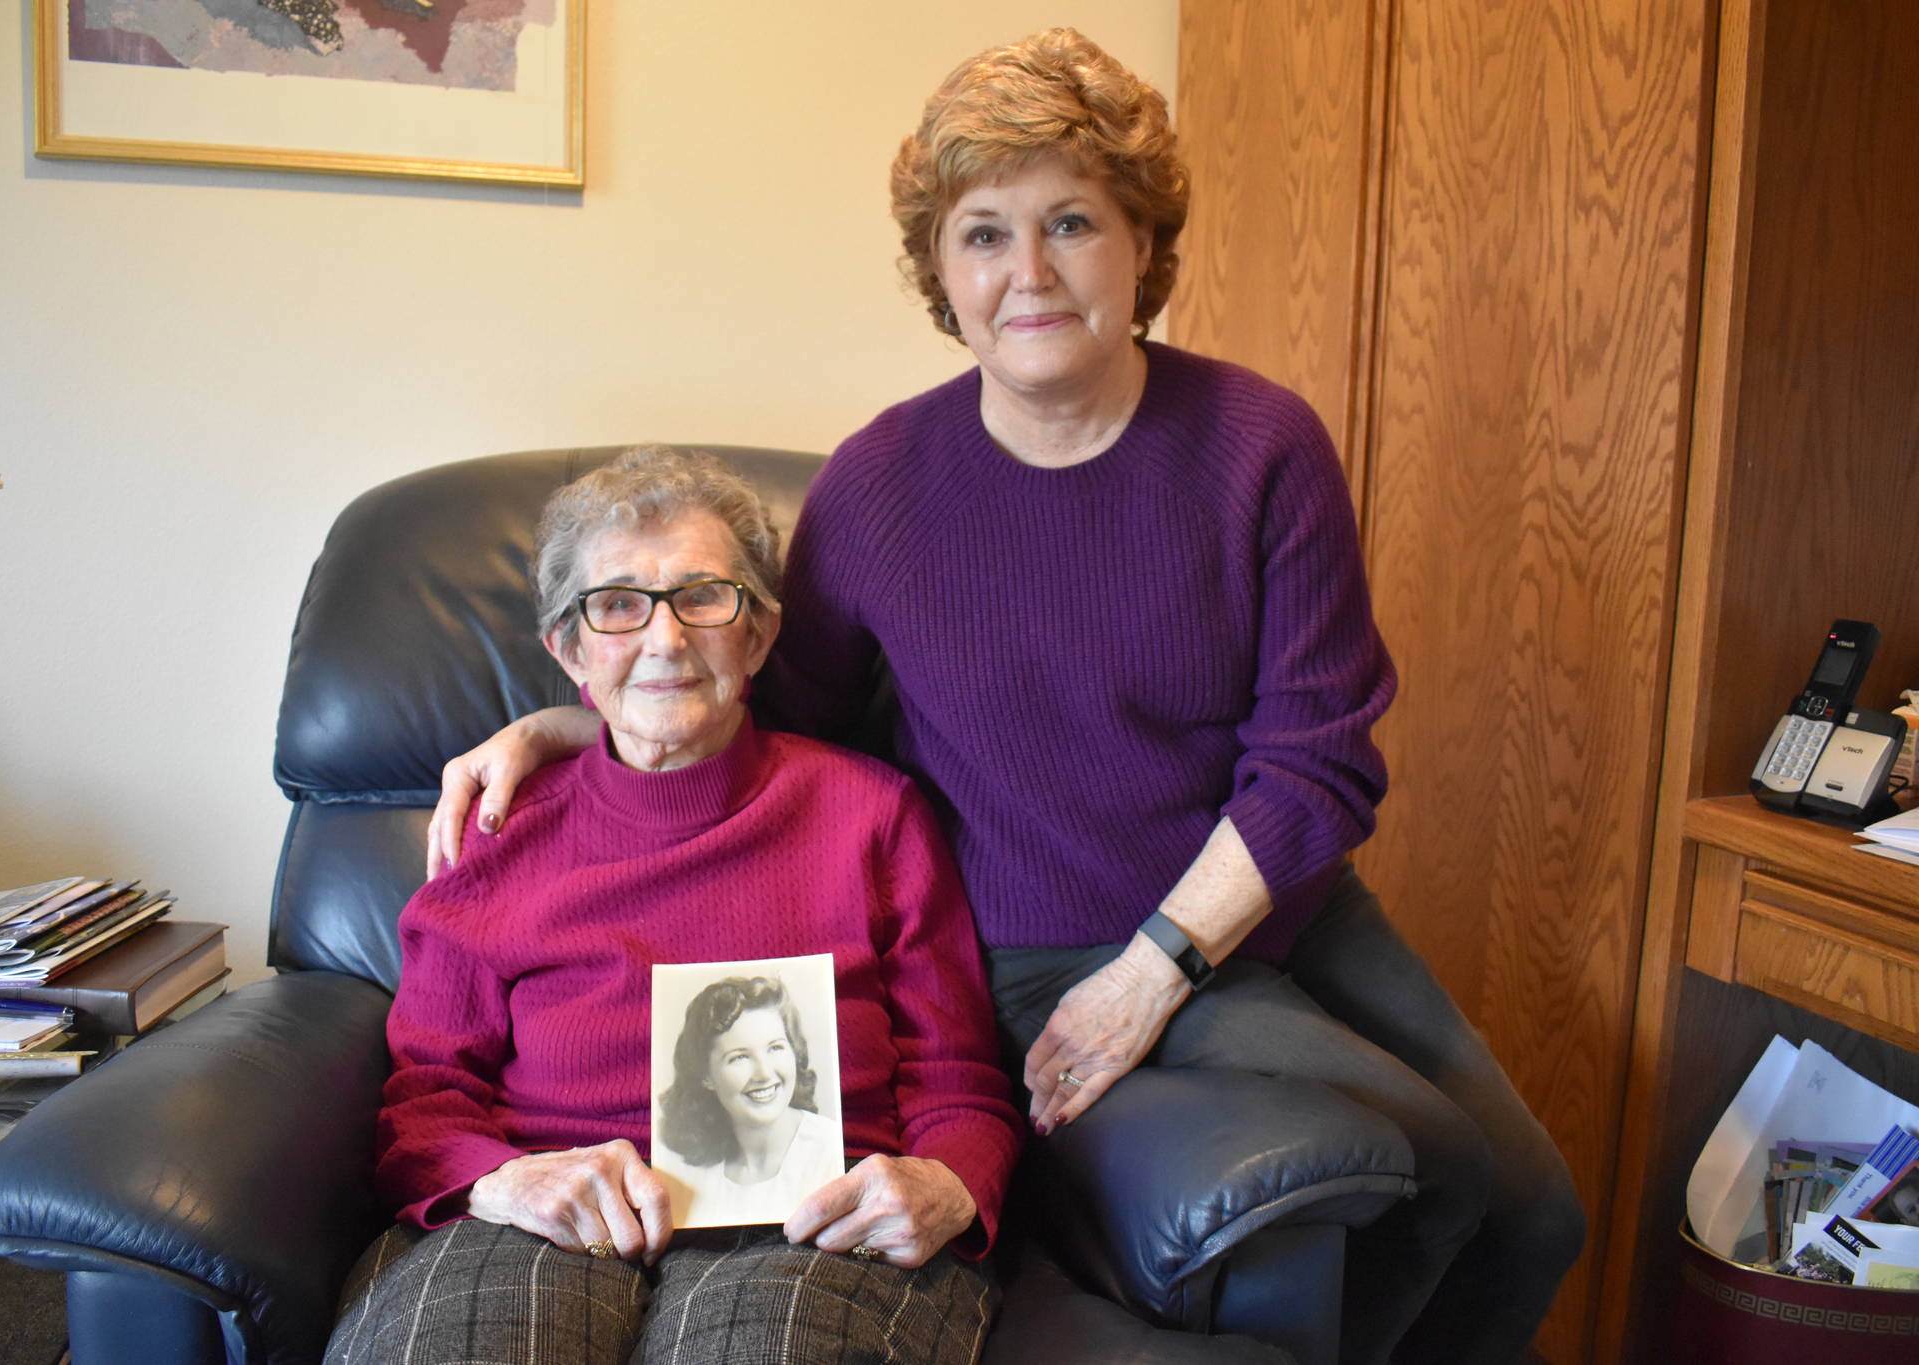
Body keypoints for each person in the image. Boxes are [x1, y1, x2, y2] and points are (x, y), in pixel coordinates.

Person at [425, 29, 1585, 1365]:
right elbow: (780, 714)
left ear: (1143, 246)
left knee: (1538, 1208)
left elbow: (1317, 762)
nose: (1027, 273)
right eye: (983, 234)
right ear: (942, 272)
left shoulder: (1263, 449)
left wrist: (1159, 967)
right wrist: (583, 719)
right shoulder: (876, 490)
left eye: (1073, 222)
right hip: (1034, 950)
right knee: (1431, 1162)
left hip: (1259, 912)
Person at [327, 446, 1020, 1365]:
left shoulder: (874, 814)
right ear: (569, 649)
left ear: (761, 634)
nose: (665, 639)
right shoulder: (497, 831)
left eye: (704, 596)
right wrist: (503, 1184)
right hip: (546, 1214)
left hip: (814, 1224)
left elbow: (960, 1080)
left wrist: (945, 1182)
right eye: (618, 605)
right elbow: (428, 1103)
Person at [655, 974, 846, 1226]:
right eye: (740, 1057)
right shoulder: (689, 1171)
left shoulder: (828, 1150)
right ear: (706, 1075)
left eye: (776, 1048)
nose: (765, 1074)